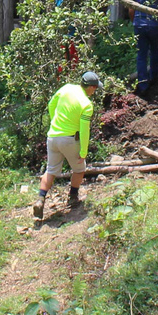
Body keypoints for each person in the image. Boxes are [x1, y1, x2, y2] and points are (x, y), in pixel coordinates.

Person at [35, 71, 100, 222]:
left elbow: (51, 104)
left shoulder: (66, 88)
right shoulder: (86, 104)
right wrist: (83, 151)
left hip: (52, 136)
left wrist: (54, 122)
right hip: (70, 139)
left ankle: (40, 199)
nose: (95, 91)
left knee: (51, 170)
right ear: (90, 87)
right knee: (79, 169)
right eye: (95, 88)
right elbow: (84, 131)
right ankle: (73, 197)